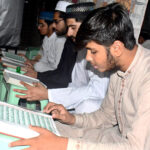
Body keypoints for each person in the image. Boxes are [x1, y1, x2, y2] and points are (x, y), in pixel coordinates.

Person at [10, 2, 150, 150]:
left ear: (116, 48)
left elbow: (137, 146)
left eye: (93, 51)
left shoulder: (146, 75)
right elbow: (105, 116)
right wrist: (71, 119)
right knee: (43, 130)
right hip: (115, 136)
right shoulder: (118, 69)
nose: (88, 58)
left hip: (132, 145)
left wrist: (64, 144)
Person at [14, 2, 109, 113]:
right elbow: (74, 84)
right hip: (75, 105)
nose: (68, 33)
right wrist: (49, 92)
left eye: (73, 27)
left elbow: (97, 92)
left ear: (87, 27)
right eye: (68, 27)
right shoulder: (79, 47)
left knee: (88, 106)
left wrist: (48, 94)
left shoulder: (101, 52)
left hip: (94, 111)